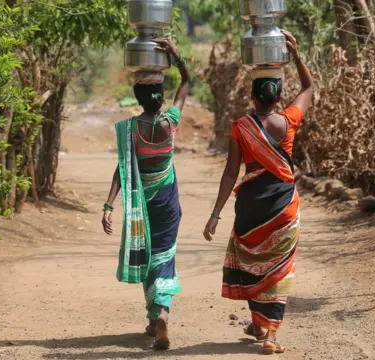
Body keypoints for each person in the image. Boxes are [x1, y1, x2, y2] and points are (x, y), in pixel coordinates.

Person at [203, 30, 314, 355]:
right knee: (280, 267)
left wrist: (215, 214)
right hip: (283, 208)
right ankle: (269, 334)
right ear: (279, 98)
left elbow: (230, 173)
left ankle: (259, 322)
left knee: (252, 263)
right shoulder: (288, 121)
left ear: (252, 96)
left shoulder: (241, 127)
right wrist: (295, 55)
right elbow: (308, 88)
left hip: (250, 208)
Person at [102, 37, 190, 351]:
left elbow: (122, 168)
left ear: (138, 97)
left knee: (147, 255)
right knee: (164, 255)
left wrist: (108, 205)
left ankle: (155, 317)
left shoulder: (131, 129)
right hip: (167, 200)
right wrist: (176, 56)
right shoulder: (170, 123)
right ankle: (161, 312)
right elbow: (187, 81)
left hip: (141, 203)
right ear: (160, 97)